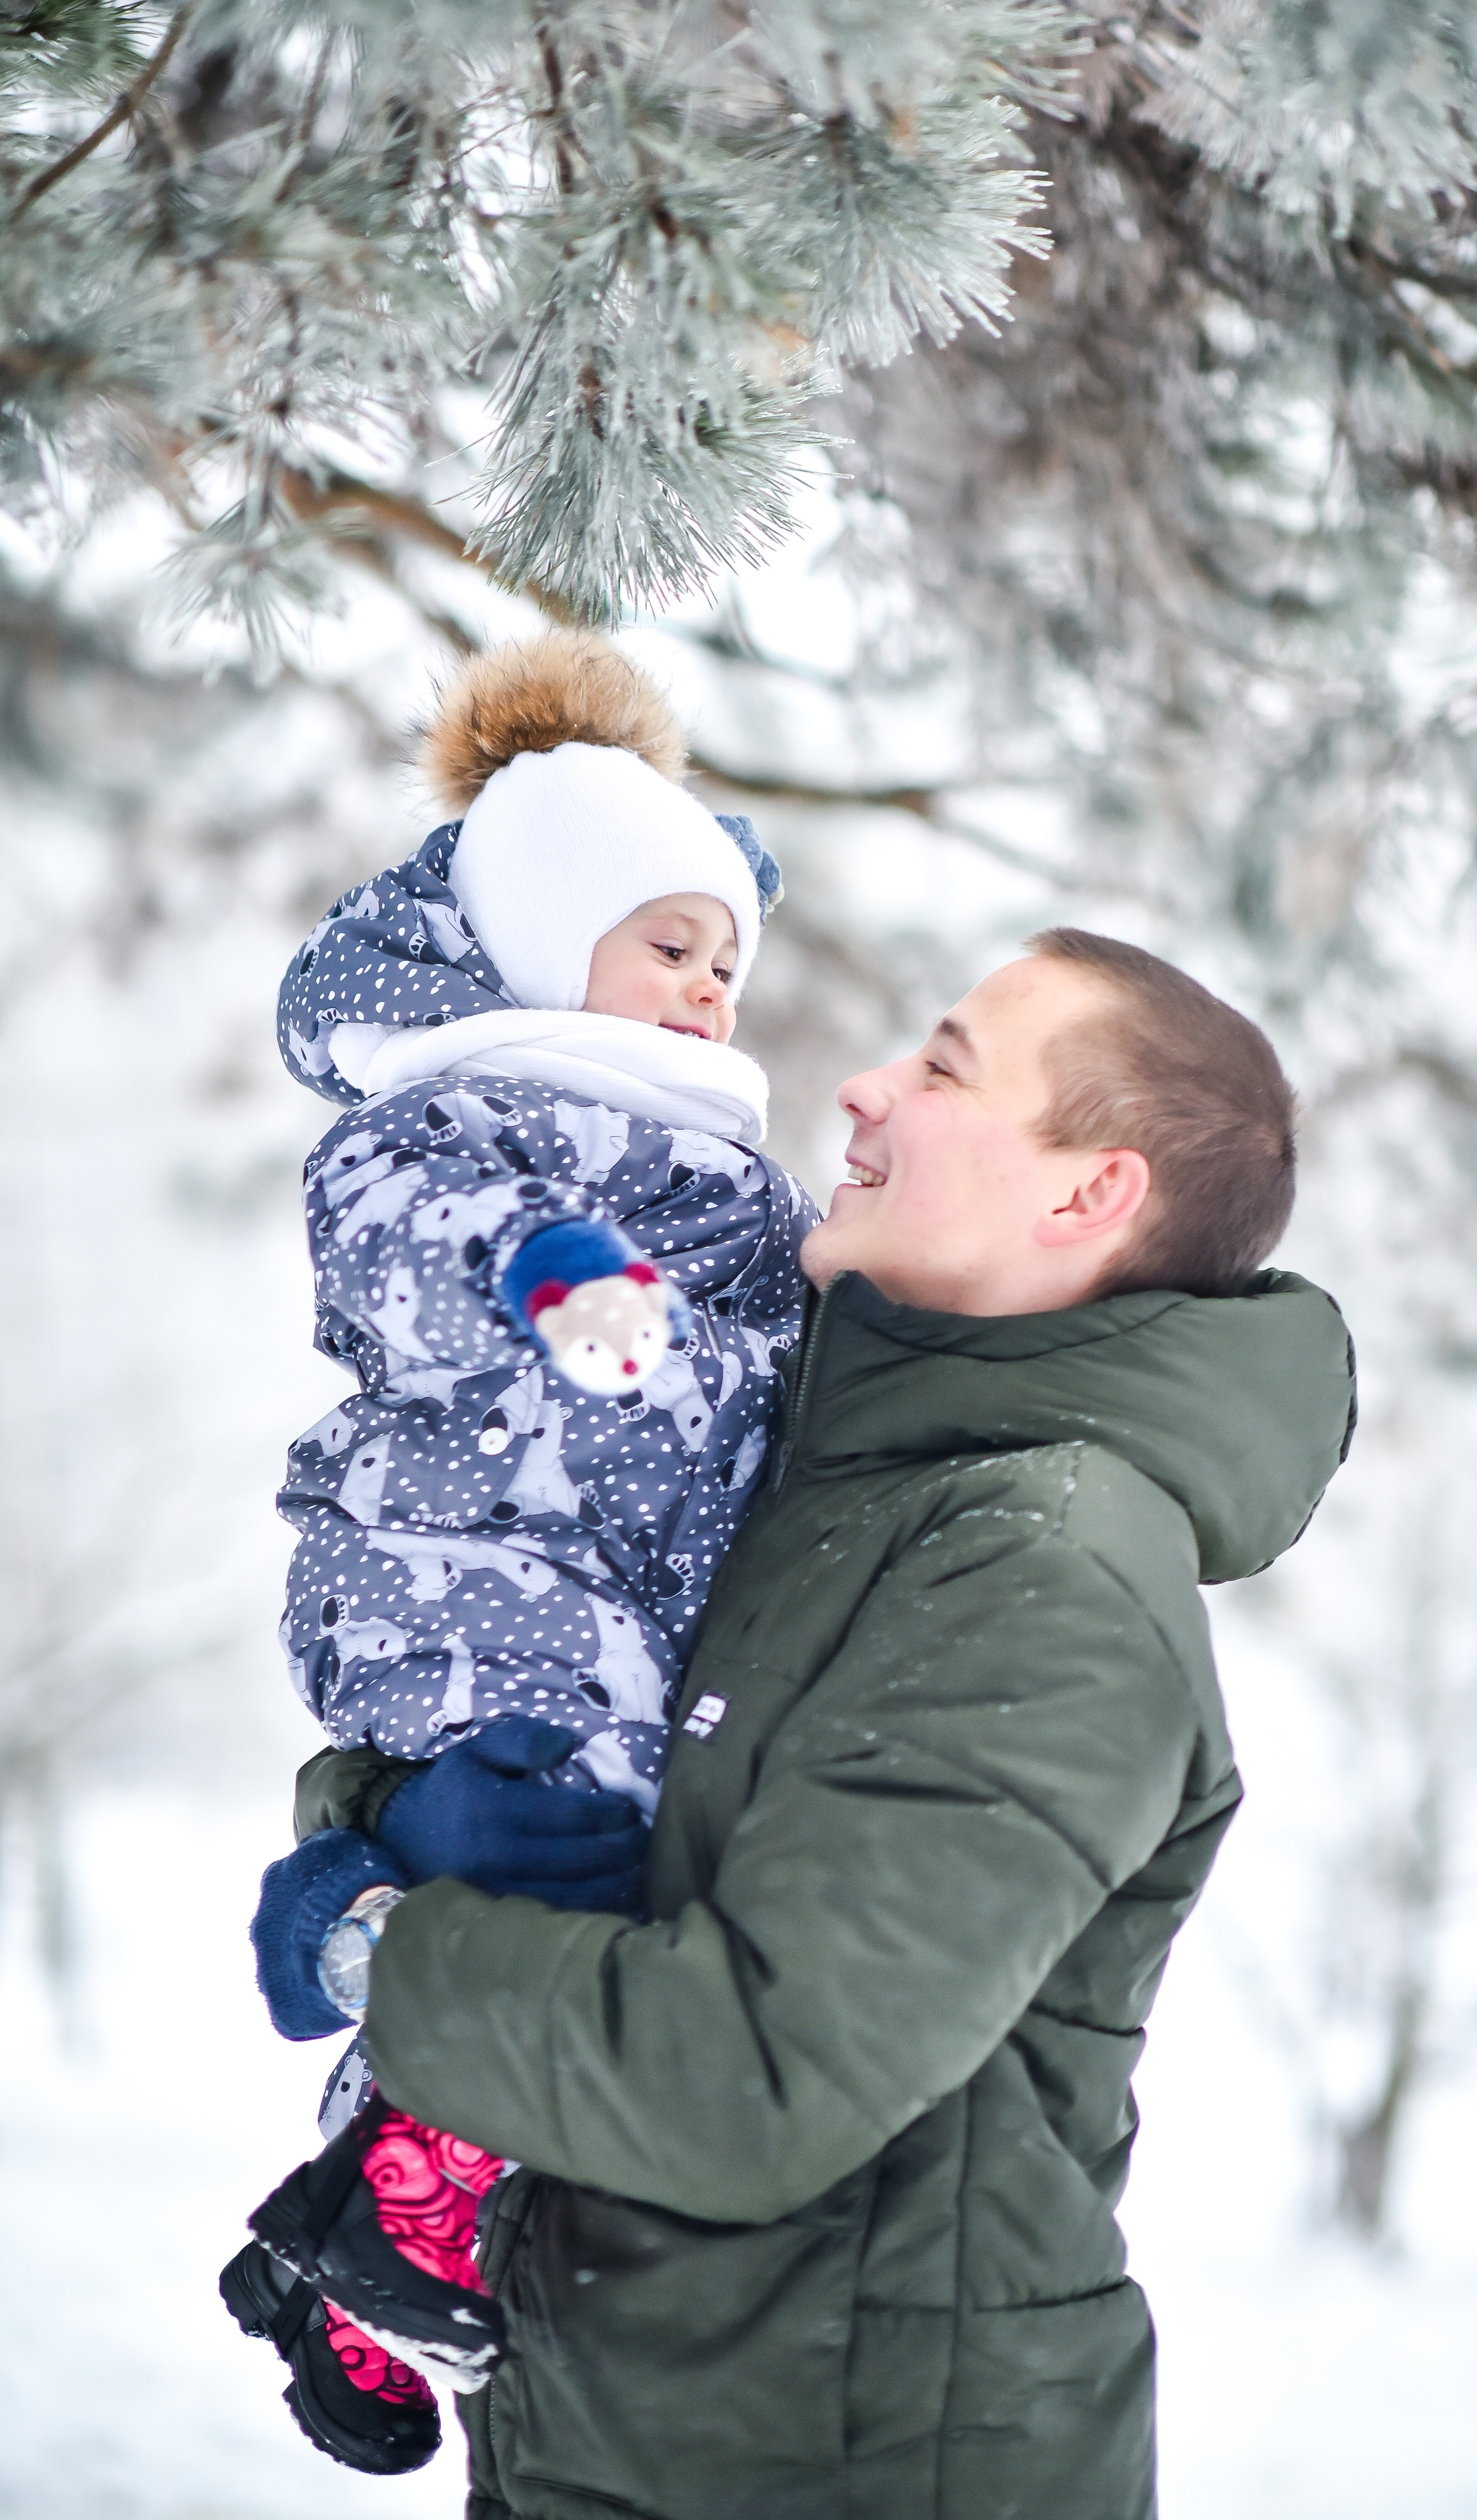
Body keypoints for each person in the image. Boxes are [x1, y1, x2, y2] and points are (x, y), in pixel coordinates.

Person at [245, 925, 1356, 2520]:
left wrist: (378, 1941)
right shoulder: (826, 1487)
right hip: (631, 2434)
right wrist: (388, 1809)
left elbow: (749, 2075)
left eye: (942, 1067)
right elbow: (547, 1687)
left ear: (1084, 1192)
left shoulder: (1037, 1570)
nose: (859, 1088)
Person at [220, 633, 818, 2475]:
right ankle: (411, 2191)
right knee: (553, 1874)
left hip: (615, 1600)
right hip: (471, 1572)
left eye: (726, 960)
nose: (711, 990)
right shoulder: (459, 1108)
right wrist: (540, 1261)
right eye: (671, 946)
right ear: (556, 939)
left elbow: (754, 1381)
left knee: (561, 1897)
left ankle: (365, 2229)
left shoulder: (731, 1159)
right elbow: (385, 1247)